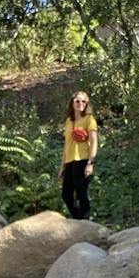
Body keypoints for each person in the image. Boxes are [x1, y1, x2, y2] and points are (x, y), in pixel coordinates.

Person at [59, 91, 98, 220]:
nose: (80, 104)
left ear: (87, 104)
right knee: (66, 195)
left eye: (83, 101)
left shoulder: (89, 119)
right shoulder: (69, 121)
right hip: (70, 161)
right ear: (72, 103)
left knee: (81, 193)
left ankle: (86, 221)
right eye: (77, 101)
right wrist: (62, 166)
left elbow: (94, 142)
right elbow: (66, 145)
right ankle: (79, 220)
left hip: (83, 159)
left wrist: (90, 163)